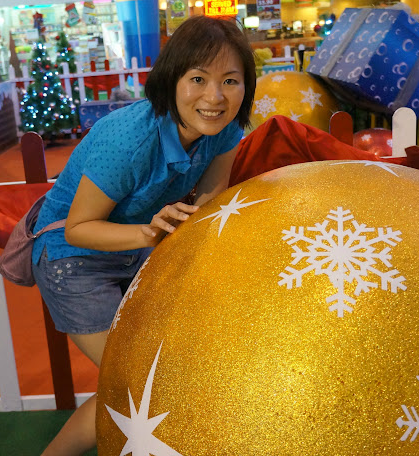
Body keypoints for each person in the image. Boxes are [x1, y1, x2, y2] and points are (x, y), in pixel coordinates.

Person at [32, 15, 256, 456]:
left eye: (230, 81)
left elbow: (211, 198)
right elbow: (78, 228)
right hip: (72, 258)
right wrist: (151, 232)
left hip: (139, 246)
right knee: (134, 380)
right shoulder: (130, 140)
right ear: (171, 80)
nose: (215, 97)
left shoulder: (225, 128)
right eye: (198, 79)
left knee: (157, 372)